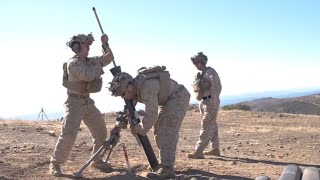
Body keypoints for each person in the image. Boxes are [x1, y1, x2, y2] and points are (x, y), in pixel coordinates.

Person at [49, 33, 114, 176]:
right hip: (74, 102)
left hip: (87, 101)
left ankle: (96, 160)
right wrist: (99, 66)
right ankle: (55, 163)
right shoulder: (74, 63)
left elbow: (109, 58)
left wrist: (105, 44)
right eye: (86, 45)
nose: (88, 48)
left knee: (101, 131)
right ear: (77, 47)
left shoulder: (89, 61)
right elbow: (87, 75)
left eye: (89, 45)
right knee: (69, 134)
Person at [108, 66, 190, 179]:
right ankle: (164, 164)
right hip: (167, 100)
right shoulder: (134, 89)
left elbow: (151, 116)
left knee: (166, 129)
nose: (124, 97)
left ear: (130, 87)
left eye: (123, 94)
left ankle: (167, 169)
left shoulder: (147, 87)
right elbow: (127, 110)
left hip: (178, 97)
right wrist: (117, 126)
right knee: (158, 130)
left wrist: (138, 129)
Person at [187, 52, 222, 159]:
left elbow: (217, 86)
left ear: (202, 62)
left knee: (206, 125)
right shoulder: (201, 74)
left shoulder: (210, 72)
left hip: (210, 102)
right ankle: (215, 148)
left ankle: (198, 151)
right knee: (212, 124)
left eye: (196, 62)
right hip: (203, 101)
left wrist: (213, 100)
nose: (195, 64)